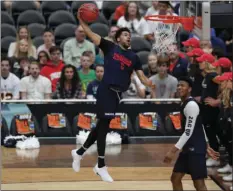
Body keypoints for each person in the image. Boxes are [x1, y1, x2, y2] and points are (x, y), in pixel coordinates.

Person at [71, 10, 154, 183]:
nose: (128, 37)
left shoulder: (134, 57)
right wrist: (81, 21)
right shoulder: (110, 47)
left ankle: (79, 153)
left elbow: (141, 77)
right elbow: (91, 34)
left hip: (118, 95)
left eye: (129, 35)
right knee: (104, 128)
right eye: (124, 35)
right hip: (106, 90)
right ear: (118, 39)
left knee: (101, 125)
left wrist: (149, 84)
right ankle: (101, 165)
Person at [164, 76, 220, 191]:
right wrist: (207, 144)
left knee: (199, 183)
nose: (179, 87)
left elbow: (188, 132)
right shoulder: (184, 103)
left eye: (182, 85)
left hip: (195, 149)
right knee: (175, 178)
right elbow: (199, 125)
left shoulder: (191, 105)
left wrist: (172, 151)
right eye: (178, 85)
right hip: (188, 148)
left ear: (189, 89)